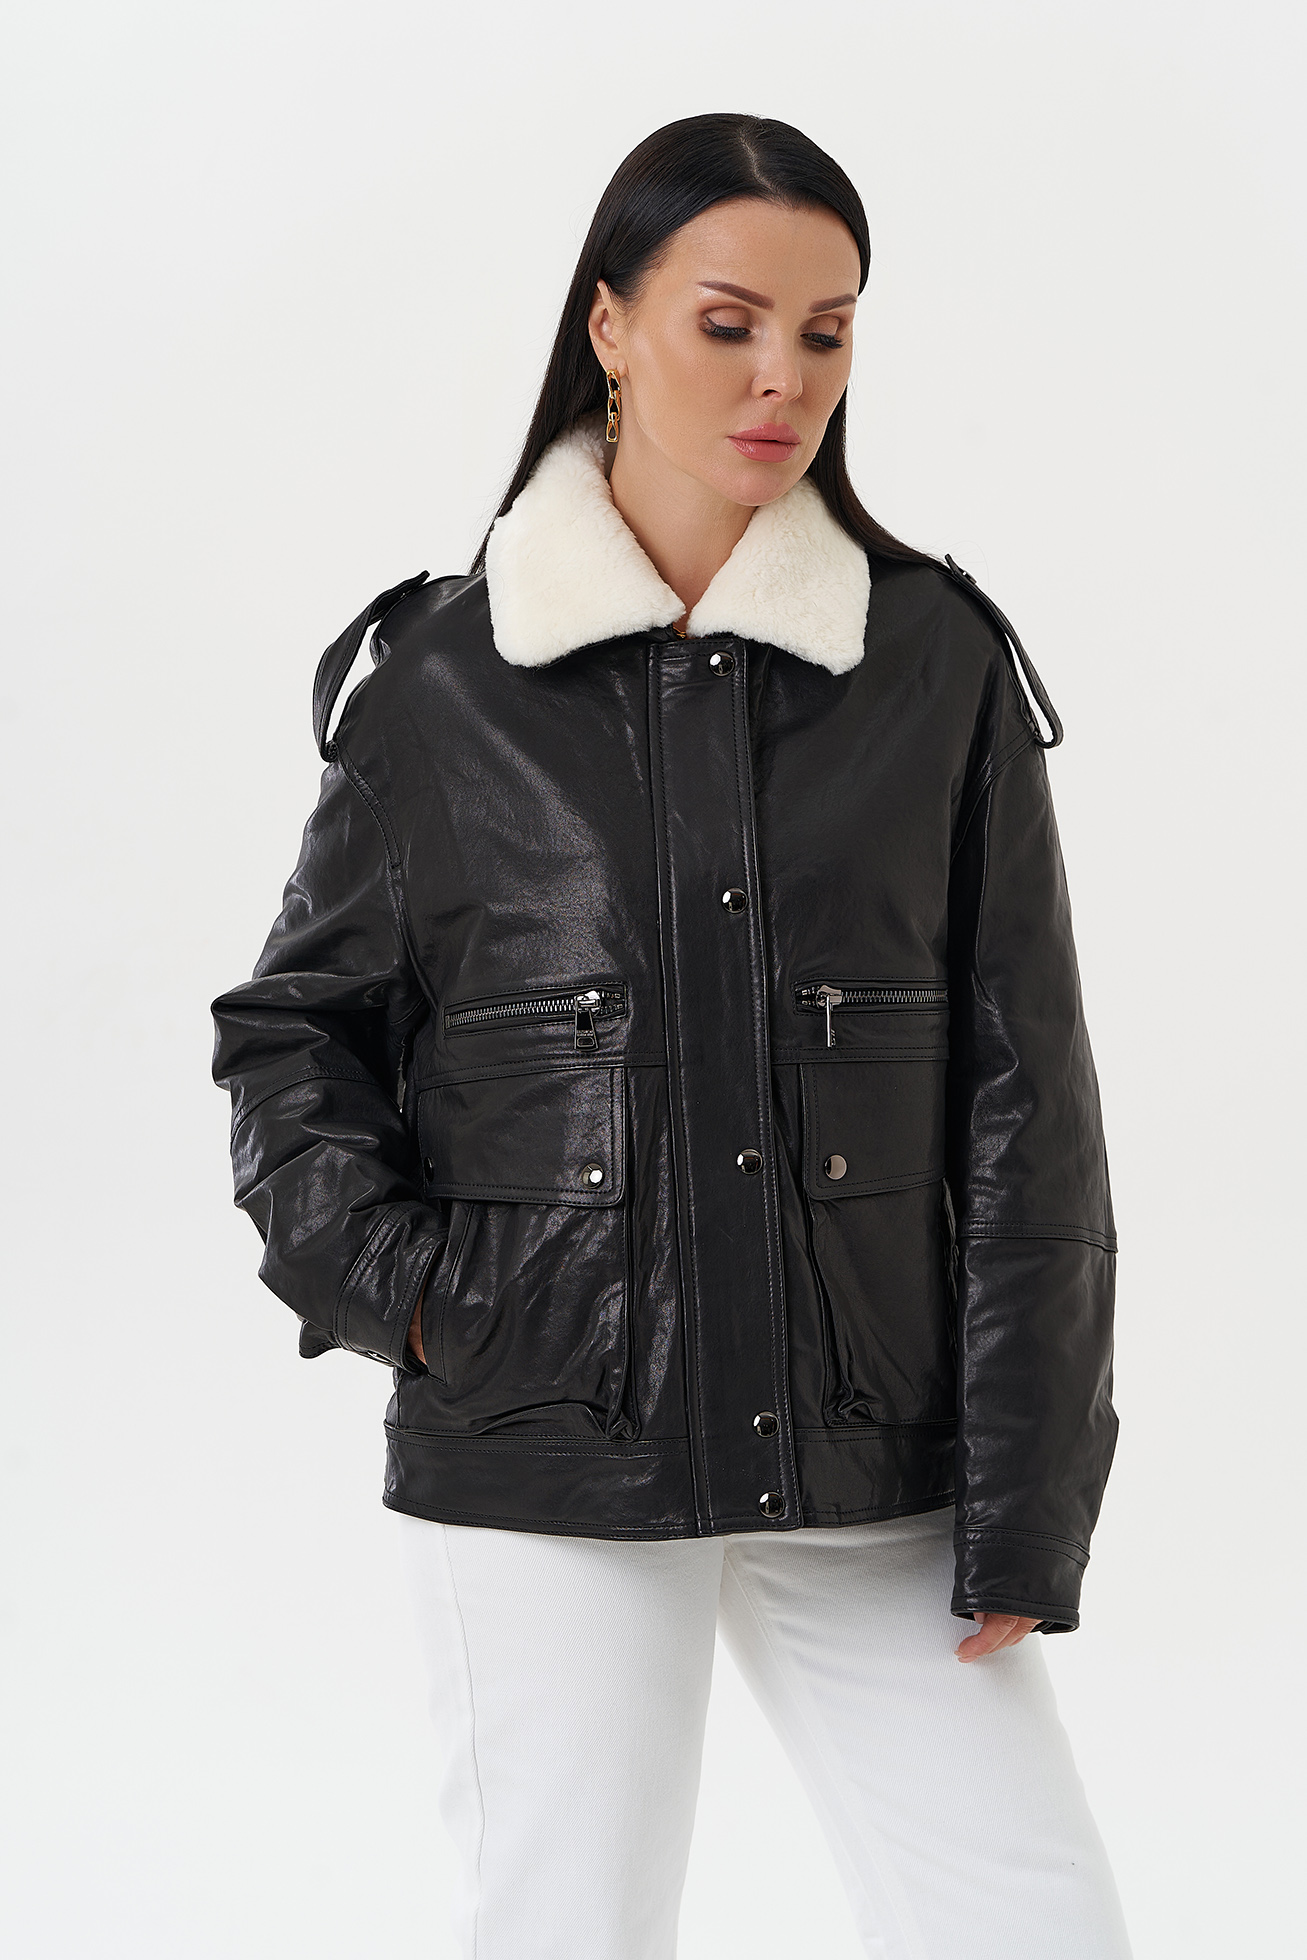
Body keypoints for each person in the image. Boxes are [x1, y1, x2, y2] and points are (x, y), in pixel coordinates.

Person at [211, 113, 1131, 1960]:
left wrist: (1029, 1498)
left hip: (871, 1445)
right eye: (730, 323)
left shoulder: (931, 663)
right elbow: (295, 1038)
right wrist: (430, 1305)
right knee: (571, 1926)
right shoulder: (445, 684)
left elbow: (1029, 1100)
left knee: (1032, 1920)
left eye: (827, 330)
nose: (786, 376)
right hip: (549, 1443)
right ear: (611, 326)